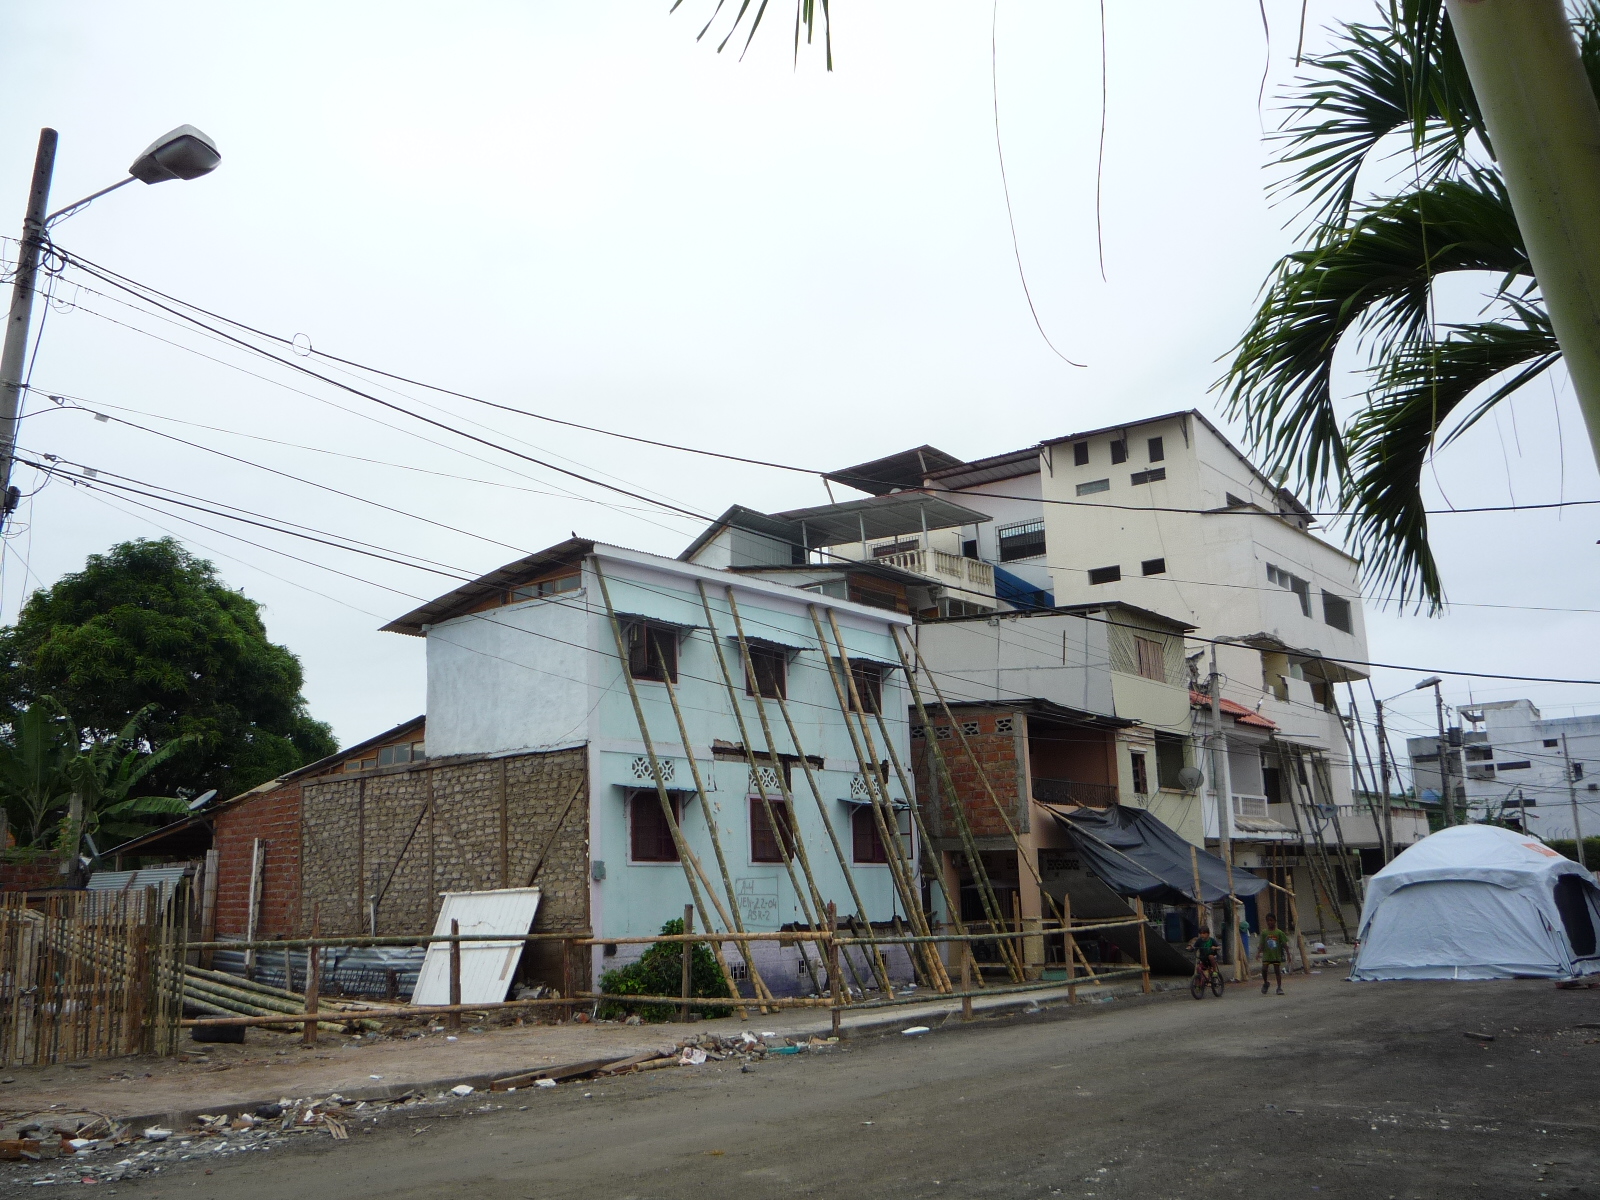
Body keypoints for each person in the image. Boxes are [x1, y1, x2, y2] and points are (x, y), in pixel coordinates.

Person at [1258, 913, 1291, 995]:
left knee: (1277, 971)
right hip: (1267, 955)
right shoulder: (1264, 933)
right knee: (1264, 969)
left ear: (1275, 921)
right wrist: (1258, 953)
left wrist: (1288, 954)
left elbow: (1284, 944)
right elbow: (1261, 944)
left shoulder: (1279, 933)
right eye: (1268, 921)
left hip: (1276, 955)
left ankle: (1279, 987)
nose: (1269, 922)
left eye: (1271, 920)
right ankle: (1266, 983)